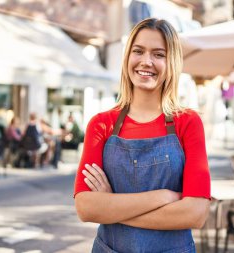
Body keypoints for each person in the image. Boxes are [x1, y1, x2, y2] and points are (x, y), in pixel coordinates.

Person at [73, 18, 211, 253]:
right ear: (128, 57)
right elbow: (86, 208)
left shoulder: (188, 123)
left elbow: (195, 213)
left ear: (172, 63)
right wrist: (163, 196)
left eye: (159, 54)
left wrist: (112, 206)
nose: (146, 61)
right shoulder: (101, 125)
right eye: (138, 51)